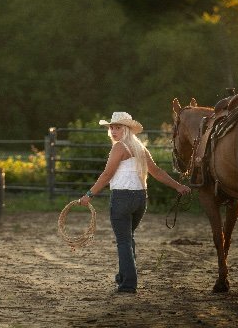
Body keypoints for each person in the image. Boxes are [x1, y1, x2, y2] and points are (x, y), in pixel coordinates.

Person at [79, 111, 191, 294]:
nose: (113, 131)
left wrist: (89, 194)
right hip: (140, 199)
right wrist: (178, 186)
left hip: (122, 198)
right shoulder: (140, 148)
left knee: (123, 240)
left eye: (117, 127)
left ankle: (128, 284)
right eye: (112, 128)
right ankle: (123, 276)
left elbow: (107, 175)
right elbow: (156, 172)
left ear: (126, 129)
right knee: (128, 238)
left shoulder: (119, 148)